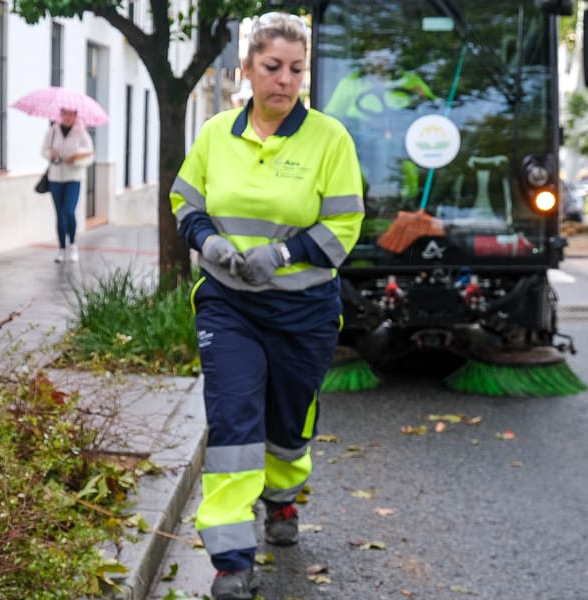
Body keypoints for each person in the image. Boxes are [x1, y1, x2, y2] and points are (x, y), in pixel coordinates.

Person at [169, 12, 365, 600]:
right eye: (272, 67)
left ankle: (281, 499)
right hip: (229, 306)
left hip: (302, 312)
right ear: (247, 69)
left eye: (296, 69)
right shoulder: (214, 135)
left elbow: (345, 224)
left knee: (288, 424)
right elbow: (185, 203)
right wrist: (210, 241)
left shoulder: (329, 138)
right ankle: (231, 560)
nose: (285, 80)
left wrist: (283, 253)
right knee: (233, 422)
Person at [42, 108, 94, 263]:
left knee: (69, 211)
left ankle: (73, 245)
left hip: (73, 178)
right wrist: (50, 154)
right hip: (55, 178)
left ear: (75, 116)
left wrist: (75, 160)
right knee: (59, 214)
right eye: (65, 114)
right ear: (61, 114)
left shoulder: (81, 132)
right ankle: (61, 249)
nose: (67, 117)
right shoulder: (53, 130)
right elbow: (43, 150)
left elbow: (90, 155)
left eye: (71, 114)